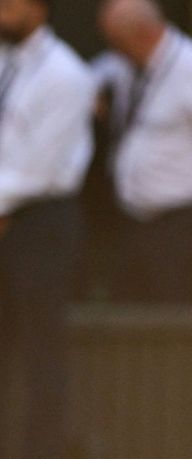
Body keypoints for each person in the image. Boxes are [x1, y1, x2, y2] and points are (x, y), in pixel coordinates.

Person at [0, 0, 96, 459]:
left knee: (42, 349)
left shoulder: (67, 73)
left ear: (38, 8)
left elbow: (44, 160)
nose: (0, 10)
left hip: (42, 223)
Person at [98, 0, 192, 303]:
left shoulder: (187, 67)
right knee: (129, 320)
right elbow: (90, 73)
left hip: (180, 224)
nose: (113, 51)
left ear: (143, 33)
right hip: (134, 221)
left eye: (117, 42)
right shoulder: (129, 67)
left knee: (173, 324)